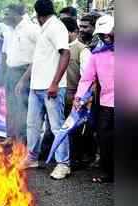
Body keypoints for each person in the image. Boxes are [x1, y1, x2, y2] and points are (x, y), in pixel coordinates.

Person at [21, 0, 71, 180]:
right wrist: (24, 81)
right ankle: (32, 158)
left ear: (39, 15)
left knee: (57, 127)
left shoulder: (56, 27)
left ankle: (63, 164)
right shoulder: (44, 28)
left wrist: (55, 83)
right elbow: (39, 59)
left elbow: (66, 53)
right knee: (32, 125)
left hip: (51, 88)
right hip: (37, 87)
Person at [74, 15, 114, 183]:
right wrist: (79, 97)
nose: (106, 37)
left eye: (109, 34)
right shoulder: (97, 55)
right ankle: (108, 172)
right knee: (105, 139)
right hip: (106, 104)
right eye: (103, 35)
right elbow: (86, 79)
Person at [3, 4, 40, 145]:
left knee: (22, 109)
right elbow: (6, 53)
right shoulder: (9, 30)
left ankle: (23, 142)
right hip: (10, 71)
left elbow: (39, 56)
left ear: (16, 14)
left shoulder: (32, 29)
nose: (4, 17)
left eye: (7, 14)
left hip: (24, 73)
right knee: (10, 107)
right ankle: (10, 137)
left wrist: (24, 79)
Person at [61, 17, 92, 169]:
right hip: (59, 94)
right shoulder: (60, 47)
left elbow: (87, 77)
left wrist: (81, 97)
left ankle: (76, 159)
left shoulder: (82, 49)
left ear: (72, 32)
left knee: (74, 130)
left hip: (73, 96)